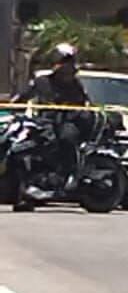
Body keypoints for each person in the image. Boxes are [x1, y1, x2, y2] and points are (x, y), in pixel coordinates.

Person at [10, 43, 92, 211]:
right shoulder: (42, 81)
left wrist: (70, 113)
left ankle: (67, 175)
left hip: (66, 123)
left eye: (68, 62)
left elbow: (83, 105)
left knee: (65, 138)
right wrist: (12, 106)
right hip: (43, 124)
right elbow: (23, 97)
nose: (65, 66)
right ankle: (27, 191)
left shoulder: (75, 85)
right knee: (22, 148)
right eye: (62, 61)